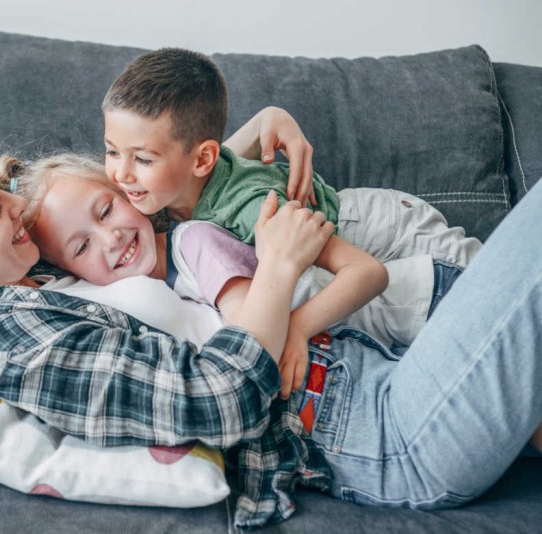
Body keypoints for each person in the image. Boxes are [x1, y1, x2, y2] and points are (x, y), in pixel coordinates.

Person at [0, 122, 542, 529]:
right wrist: (272, 267)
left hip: (380, 367)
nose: (13, 210)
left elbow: (148, 209)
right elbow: (223, 398)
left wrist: (257, 121)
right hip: (383, 430)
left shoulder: (40, 280)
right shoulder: (25, 346)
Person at [99, 48, 483, 394]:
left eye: (142, 159)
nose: (121, 173)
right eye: (112, 152)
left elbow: (367, 273)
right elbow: (212, 158)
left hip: (391, 232)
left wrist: (298, 327)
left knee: (509, 318)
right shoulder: (176, 189)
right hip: (361, 239)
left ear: (202, 159)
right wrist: (269, 117)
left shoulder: (252, 210)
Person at [17, 153, 460, 398]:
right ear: (71, 272)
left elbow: (250, 338)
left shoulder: (194, 245)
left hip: (414, 299)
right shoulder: (142, 286)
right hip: (386, 331)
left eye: (107, 209)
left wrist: (297, 330)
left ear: (130, 195)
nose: (109, 237)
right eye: (81, 246)